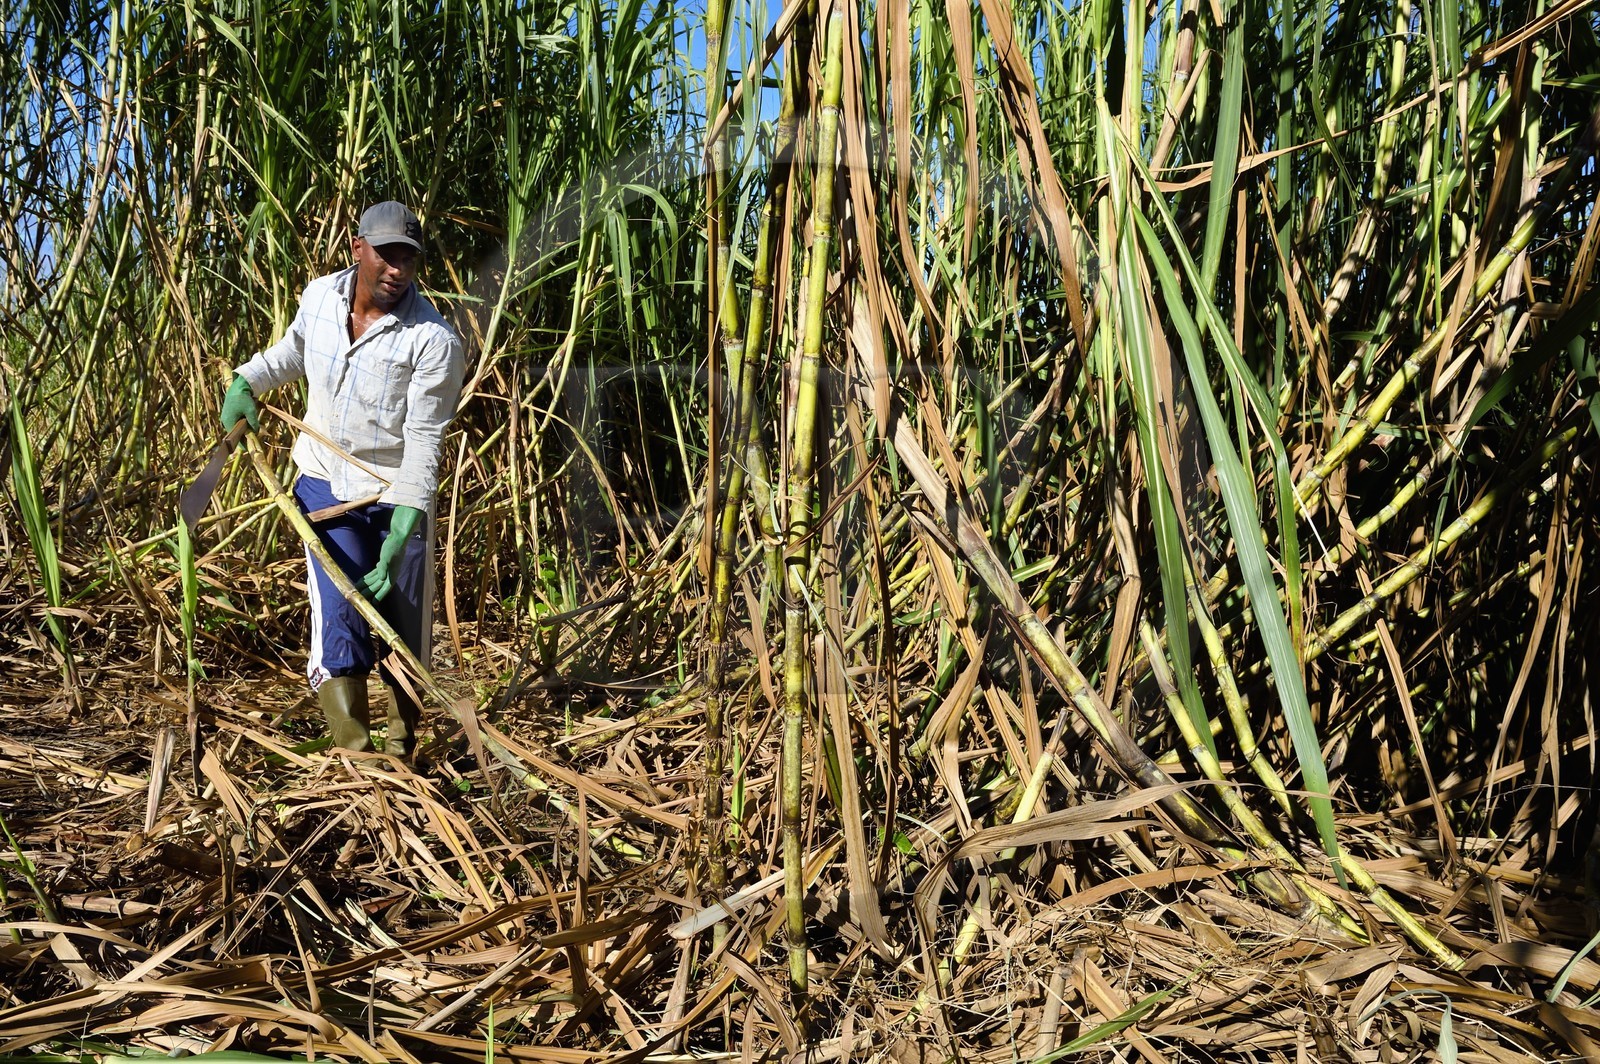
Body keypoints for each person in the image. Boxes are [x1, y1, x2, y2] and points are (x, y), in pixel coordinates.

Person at [220, 201, 465, 759]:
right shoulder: (320, 298)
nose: (397, 269)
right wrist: (246, 380)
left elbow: (424, 439)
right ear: (358, 248)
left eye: (408, 258)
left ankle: (401, 756)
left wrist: (403, 527)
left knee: (405, 626)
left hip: (395, 495)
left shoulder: (433, 340)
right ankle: (357, 758)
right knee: (341, 614)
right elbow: (292, 353)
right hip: (325, 485)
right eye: (387, 255)